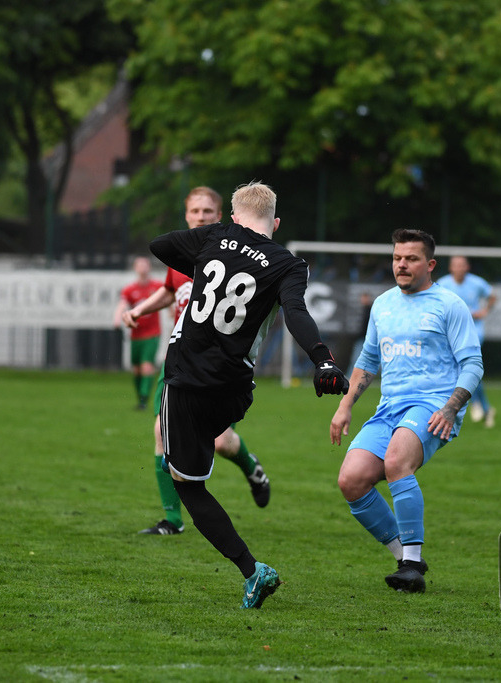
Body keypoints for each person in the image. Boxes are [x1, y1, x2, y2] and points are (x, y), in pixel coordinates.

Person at [149, 181, 349, 608]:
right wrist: (323, 361)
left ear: (234, 216)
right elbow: (296, 313)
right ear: (274, 223)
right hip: (235, 390)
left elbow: (160, 245)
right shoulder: (290, 265)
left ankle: (252, 569)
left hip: (186, 380)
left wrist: (210, 244)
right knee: (217, 439)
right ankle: (249, 467)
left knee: (187, 484)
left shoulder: (215, 235)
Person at [331, 229, 483, 594]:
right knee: (351, 480)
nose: (402, 264)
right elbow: (367, 361)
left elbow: (473, 363)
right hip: (389, 408)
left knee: (397, 461)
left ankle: (413, 565)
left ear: (430, 264)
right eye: (398, 257)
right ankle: (405, 557)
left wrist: (451, 408)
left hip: (433, 405)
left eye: (411, 258)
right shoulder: (383, 304)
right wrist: (344, 405)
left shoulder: (449, 305)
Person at [123, 187, 270, 536]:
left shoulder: (228, 256)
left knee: (221, 441)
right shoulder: (182, 255)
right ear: (186, 215)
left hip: (218, 365)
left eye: (208, 212)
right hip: (180, 361)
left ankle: (251, 468)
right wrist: (140, 309)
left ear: (220, 217)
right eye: (194, 211)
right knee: (162, 431)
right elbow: (171, 290)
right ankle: (172, 520)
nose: (201, 217)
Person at [435, 255, 496, 427]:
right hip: (452, 333)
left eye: (462, 265)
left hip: (474, 331)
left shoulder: (476, 283)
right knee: (463, 370)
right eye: (456, 265)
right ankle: (484, 407)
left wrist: (484, 311)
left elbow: (492, 295)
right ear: (451, 267)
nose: (459, 268)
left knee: (467, 366)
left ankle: (477, 405)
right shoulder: (444, 283)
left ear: (467, 267)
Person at [114, 256, 162, 410]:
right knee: (136, 369)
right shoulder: (130, 289)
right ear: (135, 268)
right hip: (136, 334)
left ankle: (143, 399)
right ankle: (140, 397)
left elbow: (168, 297)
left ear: (149, 267)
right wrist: (117, 319)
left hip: (153, 334)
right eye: (139, 265)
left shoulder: (157, 286)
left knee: (147, 366)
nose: (143, 268)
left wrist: (172, 311)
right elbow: (122, 305)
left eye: (145, 265)